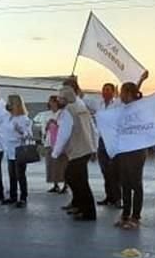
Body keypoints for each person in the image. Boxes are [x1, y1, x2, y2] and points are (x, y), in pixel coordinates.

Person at [52, 85, 98, 221]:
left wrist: (55, 153)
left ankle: (89, 212)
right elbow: (92, 128)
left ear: (65, 99)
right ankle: (79, 205)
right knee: (74, 178)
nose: (58, 100)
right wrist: (94, 146)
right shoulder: (81, 108)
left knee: (77, 180)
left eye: (60, 98)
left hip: (78, 150)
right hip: (85, 148)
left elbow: (63, 134)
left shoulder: (68, 112)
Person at [114, 82, 148, 229]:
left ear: (128, 93)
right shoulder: (122, 109)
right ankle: (125, 215)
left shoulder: (140, 109)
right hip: (124, 150)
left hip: (137, 150)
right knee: (125, 184)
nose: (120, 95)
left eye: (122, 92)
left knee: (136, 183)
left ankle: (136, 216)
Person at [95, 82, 122, 208]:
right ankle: (109, 196)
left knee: (114, 170)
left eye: (107, 90)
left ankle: (117, 198)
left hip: (113, 141)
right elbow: (81, 97)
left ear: (112, 92)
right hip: (102, 141)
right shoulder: (99, 105)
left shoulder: (116, 104)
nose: (105, 92)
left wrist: (140, 80)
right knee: (105, 171)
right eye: (103, 89)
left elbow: (132, 92)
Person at [2, 94, 32, 207]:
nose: (7, 105)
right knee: (12, 174)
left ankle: (23, 197)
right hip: (9, 150)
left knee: (20, 175)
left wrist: (20, 131)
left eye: (10, 103)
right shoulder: (8, 117)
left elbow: (28, 135)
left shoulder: (23, 118)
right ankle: (13, 196)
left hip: (19, 149)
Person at [42, 95, 68, 194]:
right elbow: (44, 129)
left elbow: (63, 126)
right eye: (50, 102)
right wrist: (48, 125)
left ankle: (66, 184)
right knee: (52, 164)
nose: (51, 103)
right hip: (49, 141)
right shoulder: (47, 114)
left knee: (63, 164)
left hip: (60, 142)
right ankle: (55, 184)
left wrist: (55, 123)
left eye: (52, 101)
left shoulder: (62, 113)